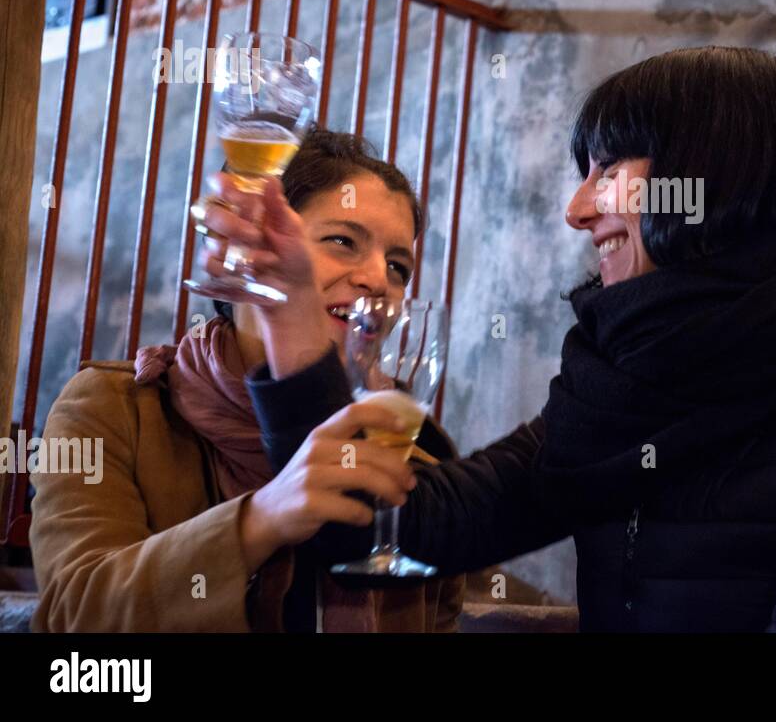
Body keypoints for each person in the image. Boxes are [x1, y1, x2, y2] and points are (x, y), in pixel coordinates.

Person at [213, 46, 776, 631]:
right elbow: (393, 528)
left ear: (713, 176)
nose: (578, 209)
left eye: (608, 169)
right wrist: (287, 311)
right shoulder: (620, 384)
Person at [29, 128, 464, 632]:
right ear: (252, 247)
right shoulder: (115, 409)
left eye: (398, 266)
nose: (377, 279)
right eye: (343, 241)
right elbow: (72, 616)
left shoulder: (415, 447)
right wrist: (260, 520)